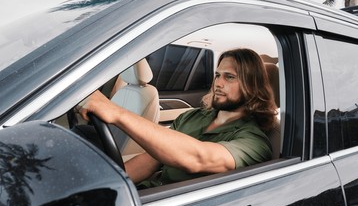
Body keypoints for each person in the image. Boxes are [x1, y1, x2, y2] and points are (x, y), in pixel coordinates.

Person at [78, 48, 278, 188]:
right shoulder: (192, 116)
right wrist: (101, 186)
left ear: (252, 85)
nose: (218, 83)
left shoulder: (254, 141)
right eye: (217, 75)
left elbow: (197, 158)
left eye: (229, 77)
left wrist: (116, 113)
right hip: (148, 191)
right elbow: (150, 161)